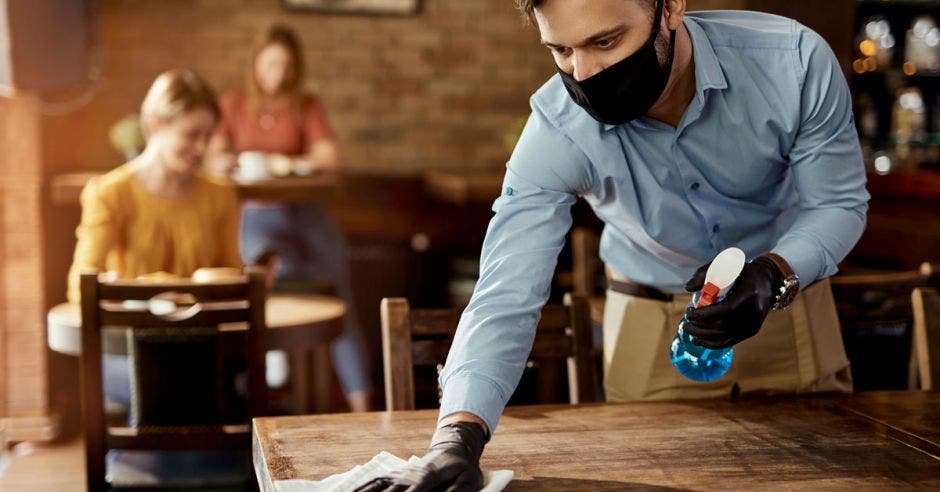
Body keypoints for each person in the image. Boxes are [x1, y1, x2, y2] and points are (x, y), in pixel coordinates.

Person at [357, 0, 869, 490]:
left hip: (790, 312)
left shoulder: (793, 63)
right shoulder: (559, 130)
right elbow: (505, 294)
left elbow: (837, 206)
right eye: (561, 50)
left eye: (606, 40)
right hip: (650, 335)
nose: (584, 73)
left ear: (670, 7)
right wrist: (457, 438)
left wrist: (774, 272)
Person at [206, 24, 371, 412]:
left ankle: (365, 409)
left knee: (342, 301)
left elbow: (330, 159)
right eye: (271, 63)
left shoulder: (306, 105)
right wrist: (228, 160)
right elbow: (211, 158)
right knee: (252, 302)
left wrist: (288, 163)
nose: (278, 73)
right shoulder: (232, 105)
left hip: (307, 215)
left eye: (286, 65)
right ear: (256, 63)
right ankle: (257, 409)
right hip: (257, 219)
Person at [67, 68, 241, 406]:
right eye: (192, 135)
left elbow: (231, 274)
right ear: (156, 124)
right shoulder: (109, 193)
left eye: (208, 136)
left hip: (201, 348)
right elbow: (80, 285)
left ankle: (146, 456)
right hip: (132, 351)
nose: (202, 148)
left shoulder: (221, 195)